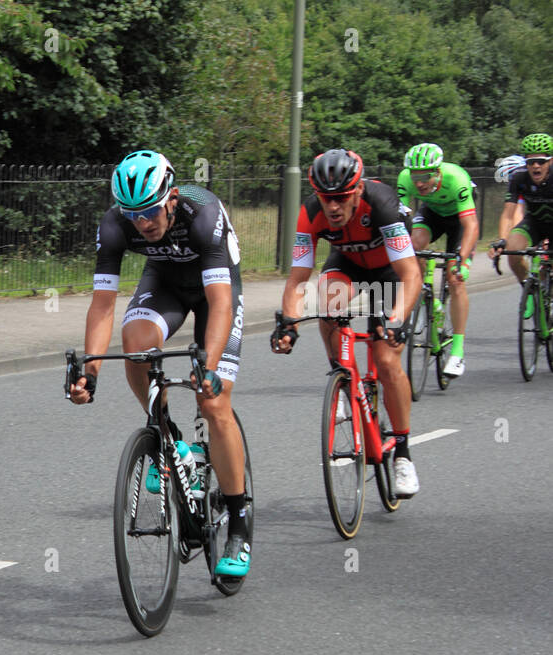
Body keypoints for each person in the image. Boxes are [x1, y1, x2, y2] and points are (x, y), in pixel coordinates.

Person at [68, 149, 251, 577]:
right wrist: (90, 369)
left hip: (216, 291)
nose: (143, 223)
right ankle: (170, 440)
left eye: (150, 210)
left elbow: (221, 303)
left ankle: (239, 522)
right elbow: (102, 305)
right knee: (135, 344)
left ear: (170, 198)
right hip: (165, 282)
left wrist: (208, 362)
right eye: (133, 214)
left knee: (214, 403)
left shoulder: (202, 214)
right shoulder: (116, 225)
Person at [274, 148, 422, 497]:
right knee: (326, 301)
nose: (333, 207)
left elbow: (410, 273)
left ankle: (402, 452)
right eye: (327, 199)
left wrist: (397, 320)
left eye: (341, 198)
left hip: (390, 273)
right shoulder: (310, 213)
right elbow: (297, 280)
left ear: (357, 190)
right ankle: (343, 378)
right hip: (349, 264)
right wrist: (290, 324)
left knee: (386, 361)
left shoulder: (383, 204)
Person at [396, 143, 478, 377]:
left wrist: (462, 260)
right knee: (413, 245)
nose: (419, 182)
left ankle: (458, 352)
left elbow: (470, 225)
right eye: (415, 176)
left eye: (425, 176)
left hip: (459, 221)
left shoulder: (456, 179)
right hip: (432, 214)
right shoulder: (405, 179)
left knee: (455, 278)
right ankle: (426, 296)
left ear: (438, 171)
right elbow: (399, 220)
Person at [488, 133, 553, 293]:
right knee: (513, 250)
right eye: (531, 162)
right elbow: (508, 214)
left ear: (550, 160)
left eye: (541, 161)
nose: (536, 166)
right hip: (534, 222)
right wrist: (502, 239)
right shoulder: (519, 177)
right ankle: (530, 290)